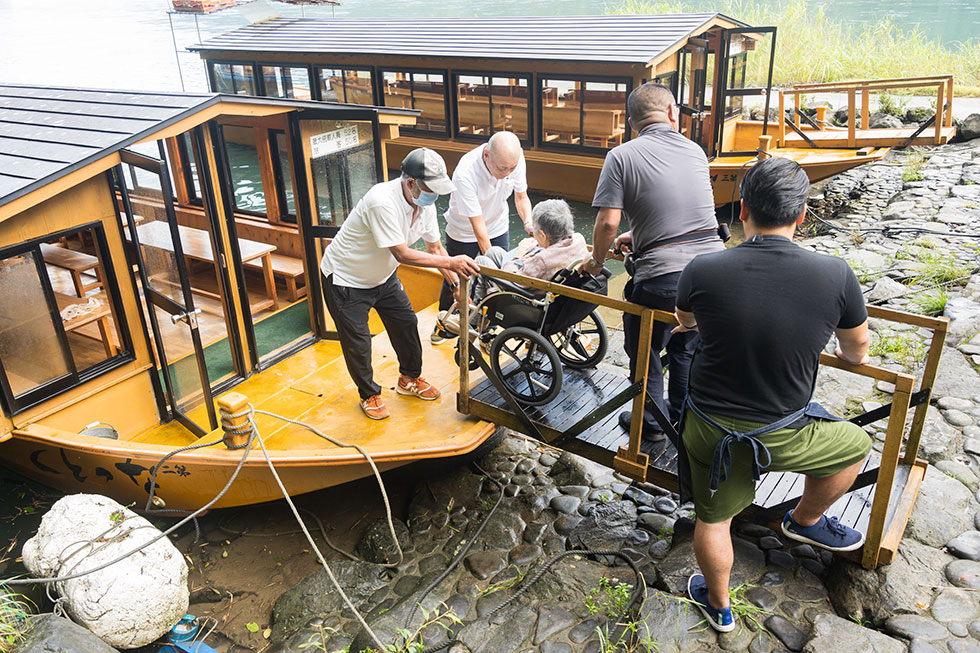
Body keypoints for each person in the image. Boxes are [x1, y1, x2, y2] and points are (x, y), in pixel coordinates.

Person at [673, 157, 872, 632]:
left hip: (709, 430)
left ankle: (719, 607)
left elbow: (686, 322)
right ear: (801, 215)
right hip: (782, 433)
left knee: (714, 520)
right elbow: (857, 351)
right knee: (856, 446)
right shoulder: (835, 274)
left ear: (742, 209)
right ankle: (803, 519)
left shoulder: (703, 267)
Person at [580, 82, 724, 441]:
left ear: (632, 124)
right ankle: (683, 422)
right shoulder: (695, 151)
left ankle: (652, 424)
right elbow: (685, 218)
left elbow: (609, 222)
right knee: (686, 346)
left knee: (644, 348)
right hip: (713, 274)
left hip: (663, 278)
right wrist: (640, 237)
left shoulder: (622, 155)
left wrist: (596, 263)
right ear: (673, 113)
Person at [320, 148, 480, 420]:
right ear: (411, 183)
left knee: (406, 323)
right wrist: (453, 263)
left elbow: (436, 247)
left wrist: (454, 286)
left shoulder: (425, 204)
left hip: (383, 276)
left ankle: (409, 379)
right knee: (358, 342)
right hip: (347, 279)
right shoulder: (381, 201)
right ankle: (368, 393)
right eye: (431, 188)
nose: (435, 195)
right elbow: (402, 253)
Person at [433, 131, 533, 340]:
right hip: (464, 230)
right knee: (460, 276)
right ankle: (445, 324)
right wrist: (497, 270)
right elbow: (478, 228)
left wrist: (529, 224)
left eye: (511, 168)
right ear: (486, 155)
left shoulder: (515, 158)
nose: (507, 173)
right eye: (502, 168)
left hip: (498, 224)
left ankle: (488, 326)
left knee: (498, 281)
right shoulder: (466, 172)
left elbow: (521, 196)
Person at [470, 198, 588, 304]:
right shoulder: (578, 239)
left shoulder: (542, 260)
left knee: (481, 262)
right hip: (546, 283)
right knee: (493, 252)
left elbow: (511, 279)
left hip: (523, 296)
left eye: (534, 228)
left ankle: (472, 319)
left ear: (542, 235)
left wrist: (519, 255)